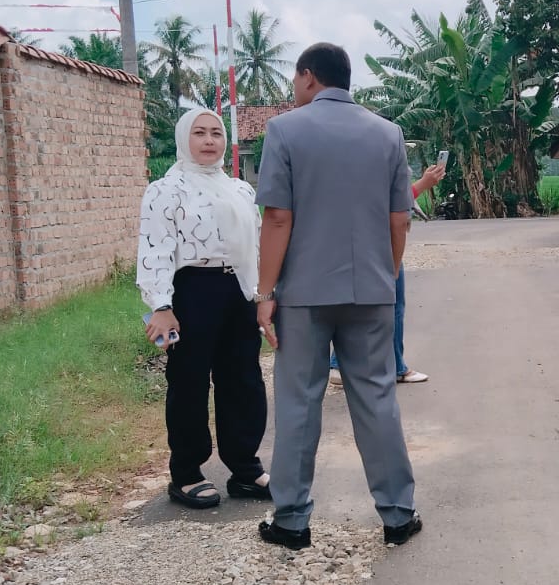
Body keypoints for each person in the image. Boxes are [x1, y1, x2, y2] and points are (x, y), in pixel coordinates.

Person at [254, 43, 422, 552]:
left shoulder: (285, 130)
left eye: (295, 79)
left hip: (303, 295)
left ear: (309, 77)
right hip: (370, 291)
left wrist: (265, 293)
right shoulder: (388, 133)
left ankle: (291, 521)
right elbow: (399, 220)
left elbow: (277, 218)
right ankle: (398, 515)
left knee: (299, 402)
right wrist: (387, 275)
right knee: (376, 398)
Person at [137, 108, 270, 509]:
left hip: (239, 290)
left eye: (216, 133)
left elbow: (257, 244)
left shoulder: (240, 189)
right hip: (192, 290)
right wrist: (161, 306)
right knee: (189, 382)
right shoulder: (165, 190)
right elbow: (155, 249)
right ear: (184, 139)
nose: (209, 140)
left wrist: (262, 295)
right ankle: (187, 473)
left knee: (243, 380)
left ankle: (244, 468)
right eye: (199, 133)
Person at [328, 160, 446, 387]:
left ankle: (340, 363)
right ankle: (392, 366)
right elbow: (397, 205)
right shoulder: (383, 157)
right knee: (392, 305)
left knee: (359, 304)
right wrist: (424, 183)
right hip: (380, 242)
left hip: (358, 239)